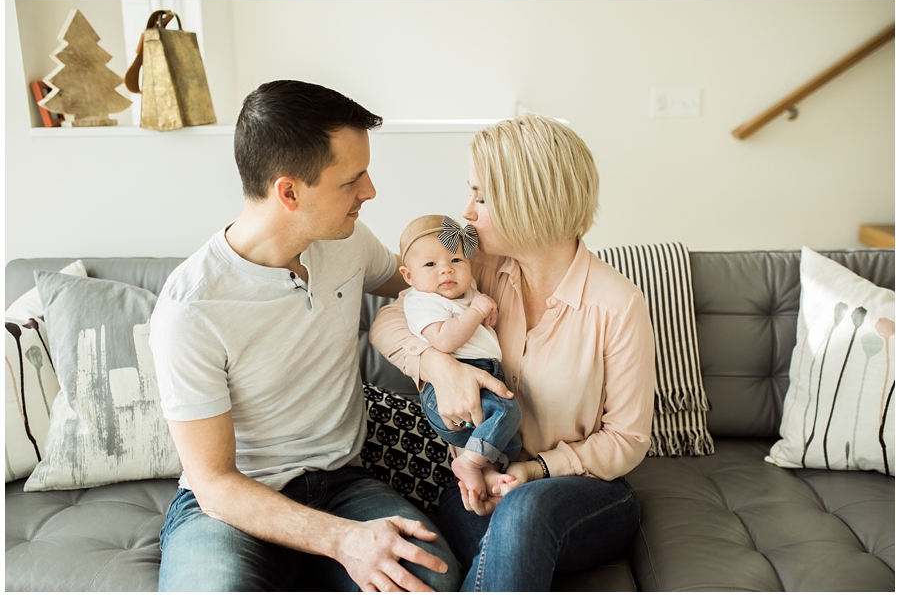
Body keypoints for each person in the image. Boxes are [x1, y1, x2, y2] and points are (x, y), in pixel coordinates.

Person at [147, 80, 461, 592]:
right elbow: (214, 483)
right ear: (289, 192)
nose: (371, 191)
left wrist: (486, 239)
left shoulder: (347, 241)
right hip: (234, 506)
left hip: (344, 481)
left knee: (431, 582)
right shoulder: (191, 308)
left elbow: (427, 280)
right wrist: (342, 541)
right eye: (352, 180)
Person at [370, 115, 656, 591]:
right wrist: (438, 366)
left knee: (526, 508)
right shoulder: (474, 264)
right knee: (469, 518)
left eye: (481, 196)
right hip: (482, 486)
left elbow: (626, 439)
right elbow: (390, 320)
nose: (467, 210)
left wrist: (535, 470)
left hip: (585, 495)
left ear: (528, 200)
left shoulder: (617, 304)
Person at [398, 214, 523, 502]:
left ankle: (485, 475)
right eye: (430, 264)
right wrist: (477, 311)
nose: (446, 271)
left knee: (511, 443)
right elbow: (444, 339)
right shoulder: (422, 301)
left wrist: (485, 311)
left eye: (456, 261)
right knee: (507, 412)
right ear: (408, 275)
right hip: (446, 391)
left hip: (484, 375)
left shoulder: (466, 293)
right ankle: (466, 463)